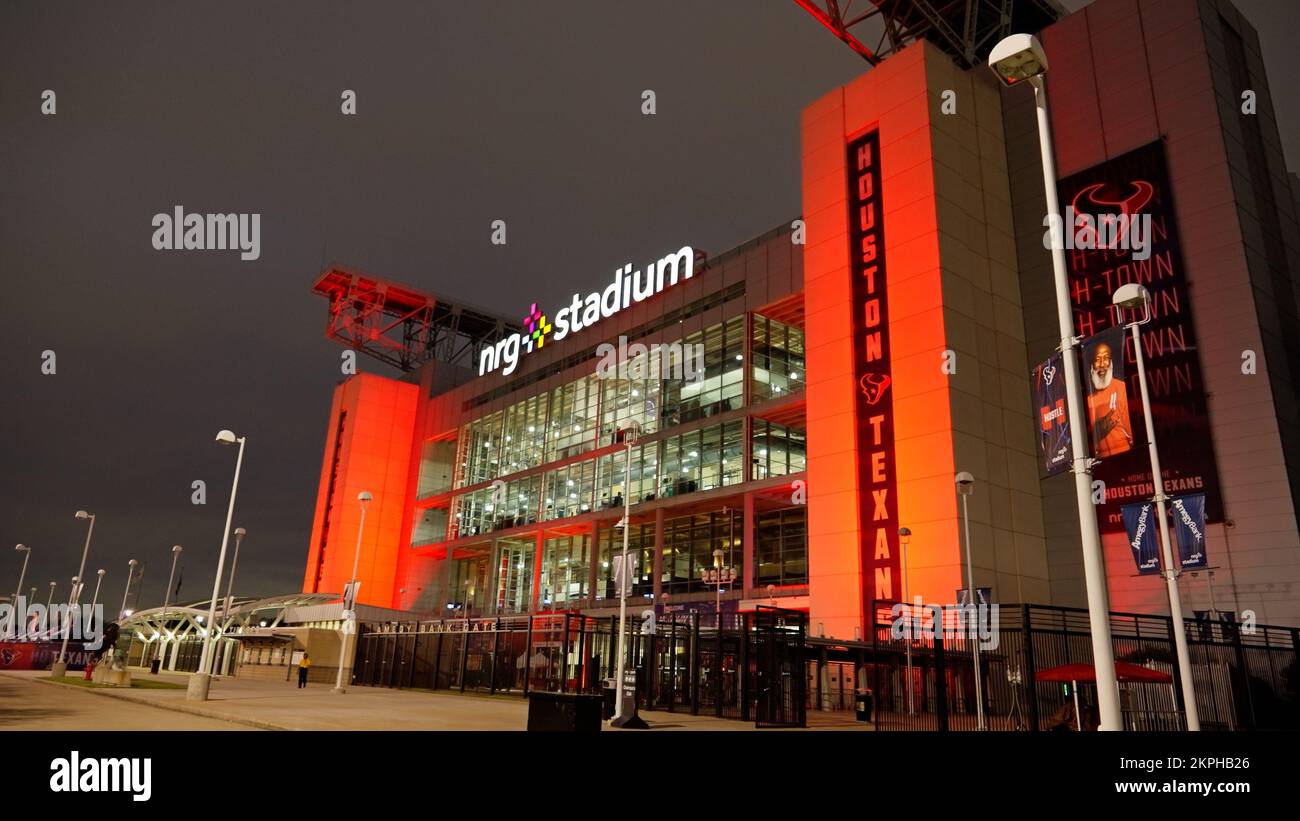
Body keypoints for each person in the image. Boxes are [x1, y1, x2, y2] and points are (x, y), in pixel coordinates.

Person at [1086, 341, 1133, 456]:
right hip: (1100, 462)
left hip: (1125, 456)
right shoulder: (1088, 399)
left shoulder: (1121, 388)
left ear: (1111, 363)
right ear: (1092, 366)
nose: (1102, 364)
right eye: (1097, 359)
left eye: (1106, 358)